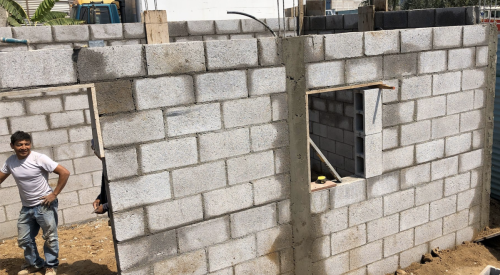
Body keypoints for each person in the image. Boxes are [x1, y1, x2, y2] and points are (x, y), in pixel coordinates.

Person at [0, 131, 70, 275]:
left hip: (45, 205)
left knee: (50, 237)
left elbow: (65, 172)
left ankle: (51, 265)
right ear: (12, 146)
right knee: (24, 239)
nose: (24, 147)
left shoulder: (39, 158)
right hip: (26, 207)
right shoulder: (10, 161)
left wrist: (54, 194)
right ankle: (36, 264)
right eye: (20, 145)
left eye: (27, 144)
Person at [90, 140, 108, 215]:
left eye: (95, 149)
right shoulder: (106, 165)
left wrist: (105, 207)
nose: (95, 153)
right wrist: (99, 198)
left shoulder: (114, 168)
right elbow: (109, 190)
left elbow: (123, 196)